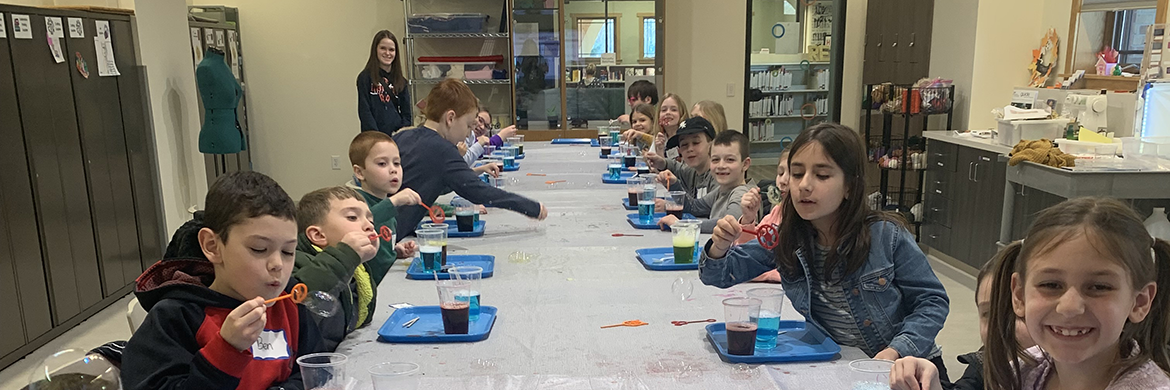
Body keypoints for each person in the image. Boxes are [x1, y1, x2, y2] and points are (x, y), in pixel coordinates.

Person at [699, 123, 951, 377]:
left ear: (850, 185)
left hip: (910, 372)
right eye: (797, 174)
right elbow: (717, 275)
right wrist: (719, 246)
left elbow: (932, 301)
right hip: (842, 369)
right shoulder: (787, 238)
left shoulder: (886, 235)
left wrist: (896, 350)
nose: (804, 185)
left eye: (822, 176)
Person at [122, 171, 324, 390]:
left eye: (287, 251)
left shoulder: (289, 305)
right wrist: (226, 350)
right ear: (212, 246)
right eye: (259, 249)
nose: (278, 264)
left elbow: (313, 371)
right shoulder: (176, 317)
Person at [979, 197, 1170, 390]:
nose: (1070, 307)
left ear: (1139, 302)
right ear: (1019, 295)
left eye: (1098, 287)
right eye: (1051, 284)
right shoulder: (1018, 376)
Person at [393, 79, 547, 239]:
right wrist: (529, 207)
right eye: (468, 126)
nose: (468, 134)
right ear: (450, 118)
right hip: (388, 238)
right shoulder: (444, 151)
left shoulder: (404, 137)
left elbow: (430, 182)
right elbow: (478, 192)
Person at [890, 245, 1035, 390]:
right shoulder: (984, 366)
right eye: (988, 314)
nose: (1001, 329)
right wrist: (933, 385)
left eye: (1018, 313)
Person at [291, 187, 380, 352]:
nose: (369, 226)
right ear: (318, 235)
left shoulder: (356, 270)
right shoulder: (297, 263)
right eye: (352, 217)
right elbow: (303, 306)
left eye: (371, 220)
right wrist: (344, 256)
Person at [347, 131, 422, 284]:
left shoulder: (386, 203)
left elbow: (381, 239)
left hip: (389, 281)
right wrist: (393, 202)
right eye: (382, 163)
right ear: (360, 172)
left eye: (397, 163)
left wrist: (395, 251)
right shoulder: (355, 202)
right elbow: (363, 226)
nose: (393, 169)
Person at [658, 130, 752, 234]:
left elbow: (727, 225)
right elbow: (693, 207)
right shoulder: (721, 190)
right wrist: (674, 183)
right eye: (715, 160)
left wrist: (681, 225)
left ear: (745, 164)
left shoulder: (742, 195)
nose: (721, 166)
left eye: (730, 160)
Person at [731, 147, 792, 284]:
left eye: (795, 174)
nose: (783, 181)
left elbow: (796, 274)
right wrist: (748, 219)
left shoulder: (811, 222)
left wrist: (761, 274)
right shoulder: (776, 212)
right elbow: (746, 255)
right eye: (780, 173)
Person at [645, 116, 718, 201]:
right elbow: (677, 168)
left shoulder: (718, 176)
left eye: (696, 142)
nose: (690, 149)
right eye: (684, 145)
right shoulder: (692, 172)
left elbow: (699, 208)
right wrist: (662, 163)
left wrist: (674, 188)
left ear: (711, 145)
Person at [358, 30, 412, 136]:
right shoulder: (365, 78)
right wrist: (376, 136)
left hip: (397, 137)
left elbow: (407, 113)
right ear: (375, 50)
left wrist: (401, 133)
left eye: (391, 50)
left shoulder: (401, 81)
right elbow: (365, 111)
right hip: (374, 137)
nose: (387, 53)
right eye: (383, 48)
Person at [624, 93, 688, 159]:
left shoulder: (687, 138)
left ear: (682, 113)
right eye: (664, 110)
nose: (668, 112)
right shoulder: (660, 137)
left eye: (674, 110)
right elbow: (655, 166)